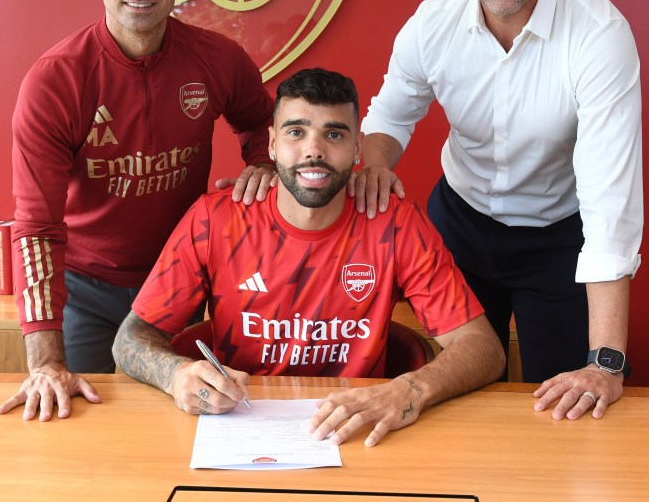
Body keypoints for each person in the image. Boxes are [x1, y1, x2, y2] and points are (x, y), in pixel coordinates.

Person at [353, 0, 642, 421]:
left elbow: (611, 206)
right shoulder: (430, 24)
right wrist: (377, 166)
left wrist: (607, 362)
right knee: (445, 397)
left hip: (559, 238)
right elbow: (390, 114)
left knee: (565, 405)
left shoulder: (600, 34)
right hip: (458, 227)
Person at [0, 0, 276, 421]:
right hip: (86, 290)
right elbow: (35, 228)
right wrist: (45, 359)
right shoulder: (55, 81)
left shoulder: (217, 59)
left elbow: (265, 124)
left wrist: (263, 165)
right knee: (84, 425)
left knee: (198, 418)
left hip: (183, 285)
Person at [113, 68, 505, 447]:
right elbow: (131, 339)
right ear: (271, 145)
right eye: (296, 132)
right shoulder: (215, 220)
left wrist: (409, 388)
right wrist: (174, 373)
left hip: (356, 432)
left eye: (333, 134)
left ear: (357, 149)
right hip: (239, 429)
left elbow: (484, 348)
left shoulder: (396, 224)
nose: (314, 150)